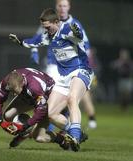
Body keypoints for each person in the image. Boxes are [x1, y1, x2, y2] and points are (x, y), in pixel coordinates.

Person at [9, 8, 94, 151]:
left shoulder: (67, 30)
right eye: (44, 27)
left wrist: (77, 32)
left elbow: (78, 36)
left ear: (56, 22)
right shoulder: (49, 35)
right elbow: (35, 41)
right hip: (63, 77)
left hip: (80, 70)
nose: (46, 30)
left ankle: (74, 135)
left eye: (48, 27)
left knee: (72, 99)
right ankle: (76, 132)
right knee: (51, 113)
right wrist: (20, 42)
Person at [30, 0, 97, 129]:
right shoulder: (48, 21)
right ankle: (56, 124)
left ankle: (87, 120)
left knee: (79, 96)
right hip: (53, 65)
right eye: (60, 5)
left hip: (73, 66)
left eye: (64, 6)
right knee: (51, 94)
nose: (62, 8)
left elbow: (86, 46)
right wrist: (34, 52)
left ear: (69, 7)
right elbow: (35, 40)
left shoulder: (75, 24)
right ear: (56, 7)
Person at [0, 67, 75, 149]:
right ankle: (26, 131)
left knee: (39, 137)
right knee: (7, 115)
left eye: (16, 91)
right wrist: (1, 122)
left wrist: (25, 126)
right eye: (12, 92)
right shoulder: (7, 81)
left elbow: (41, 111)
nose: (14, 95)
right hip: (30, 96)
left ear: (22, 83)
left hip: (49, 98)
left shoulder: (35, 86)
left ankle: (61, 139)